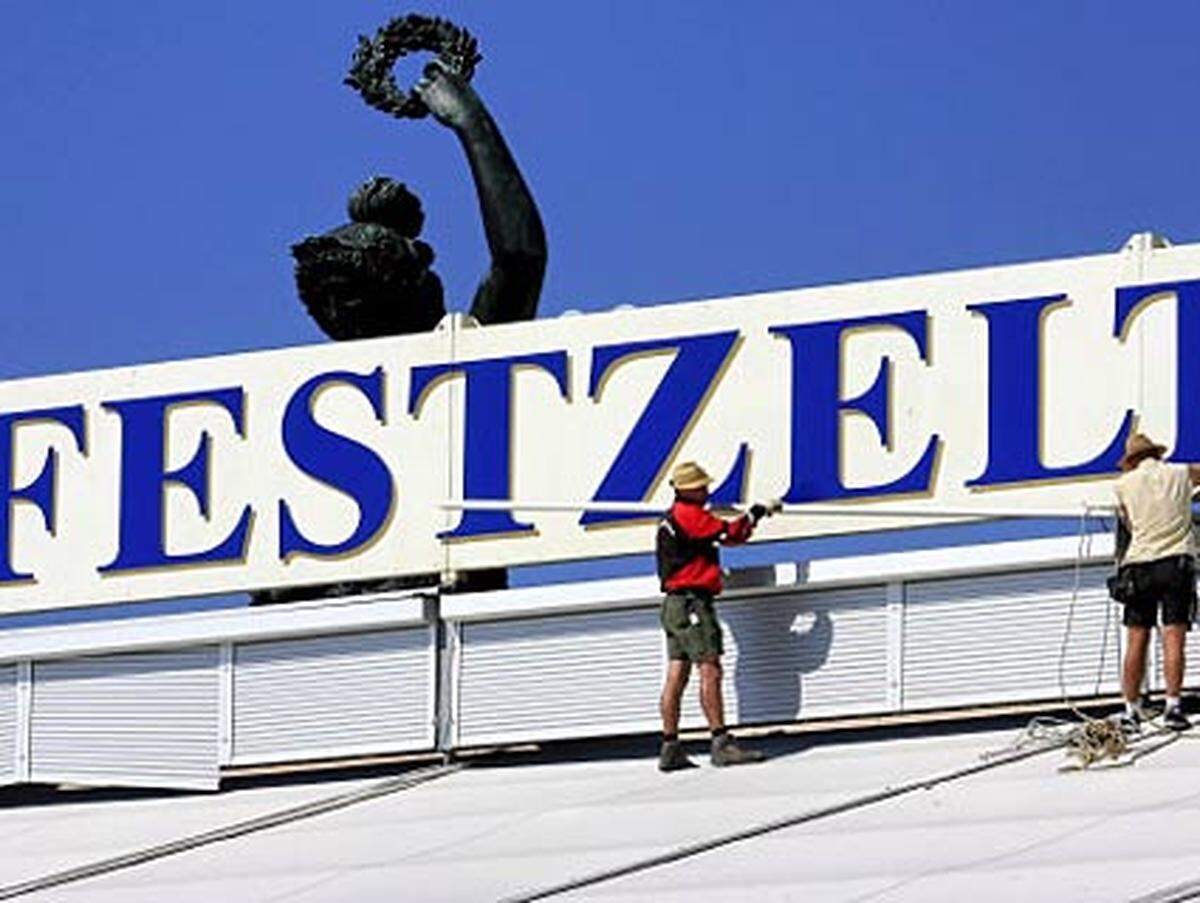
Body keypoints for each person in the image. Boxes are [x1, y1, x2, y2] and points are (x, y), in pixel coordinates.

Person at [656, 461, 780, 770]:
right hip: (693, 603)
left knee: (677, 674)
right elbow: (731, 533)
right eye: (702, 486)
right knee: (710, 669)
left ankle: (670, 746)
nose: (707, 490)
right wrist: (756, 513)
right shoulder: (690, 516)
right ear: (689, 490)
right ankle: (720, 742)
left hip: (674, 605)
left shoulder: (670, 519)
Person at [1113, 432, 1200, 733]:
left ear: (1132, 461)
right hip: (1175, 563)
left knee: (1137, 640)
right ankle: (1173, 706)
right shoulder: (1181, 473)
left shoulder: (1123, 485)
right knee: (1173, 637)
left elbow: (1127, 523)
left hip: (1139, 566)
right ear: (1157, 455)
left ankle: (1130, 710)